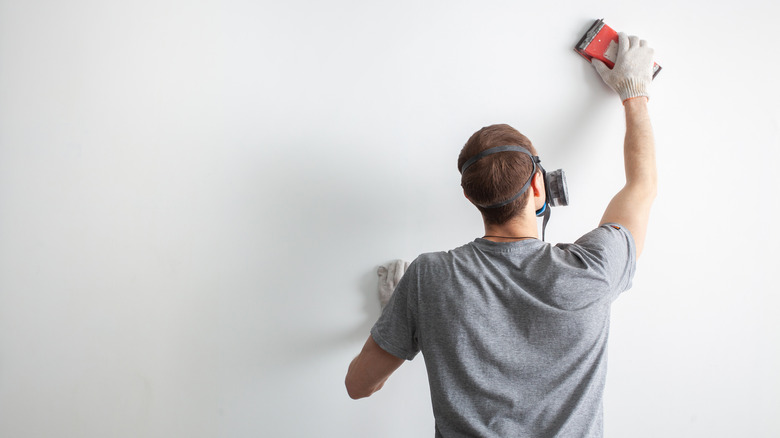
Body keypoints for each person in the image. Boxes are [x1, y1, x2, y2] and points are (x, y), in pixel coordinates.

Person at [345, 32, 657, 437]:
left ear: (469, 196)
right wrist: (634, 92)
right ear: (537, 187)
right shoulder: (593, 268)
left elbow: (358, 386)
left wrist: (405, 316)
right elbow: (642, 186)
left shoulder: (429, 278)